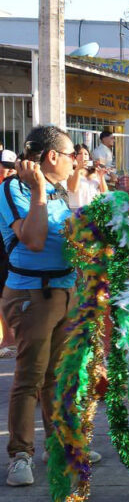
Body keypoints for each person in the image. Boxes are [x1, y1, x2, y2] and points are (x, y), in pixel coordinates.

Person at [0, 126, 97, 487]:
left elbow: (65, 236)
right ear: (52, 156)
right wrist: (39, 189)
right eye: (73, 154)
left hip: (63, 291)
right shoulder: (15, 189)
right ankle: (20, 454)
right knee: (29, 377)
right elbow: (35, 240)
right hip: (32, 297)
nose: (77, 161)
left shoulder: (56, 192)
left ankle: (58, 444)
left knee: (57, 376)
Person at [0, 149, 17, 359]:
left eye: (11, 166)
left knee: (6, 290)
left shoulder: (14, 186)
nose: (7, 170)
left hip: (9, 244)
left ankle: (11, 339)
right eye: (4, 165)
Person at [67, 145, 108, 210]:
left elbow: (105, 192)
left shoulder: (94, 171)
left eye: (86, 154)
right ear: (74, 156)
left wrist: (101, 176)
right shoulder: (70, 171)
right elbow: (73, 189)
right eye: (79, 154)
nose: (83, 156)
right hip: (77, 210)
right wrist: (78, 169)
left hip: (94, 209)